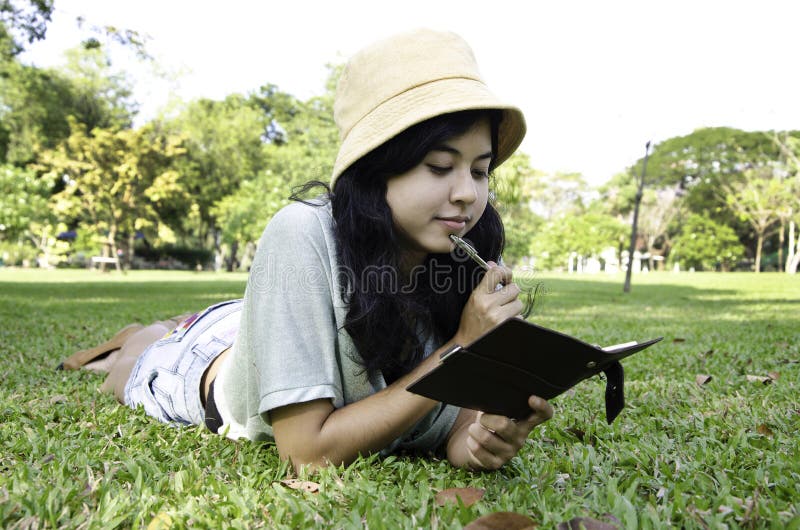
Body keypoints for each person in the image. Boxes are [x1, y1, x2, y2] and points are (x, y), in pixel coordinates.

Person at [61, 28, 554, 472]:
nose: (468, 193)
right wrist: (458, 349)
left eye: (479, 170)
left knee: (236, 323)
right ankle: (149, 335)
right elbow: (306, 453)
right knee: (128, 366)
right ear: (379, 166)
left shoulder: (463, 255)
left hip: (272, 330)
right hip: (202, 368)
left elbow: (454, 429)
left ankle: (195, 321)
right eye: (440, 166)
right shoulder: (302, 231)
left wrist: (481, 439)